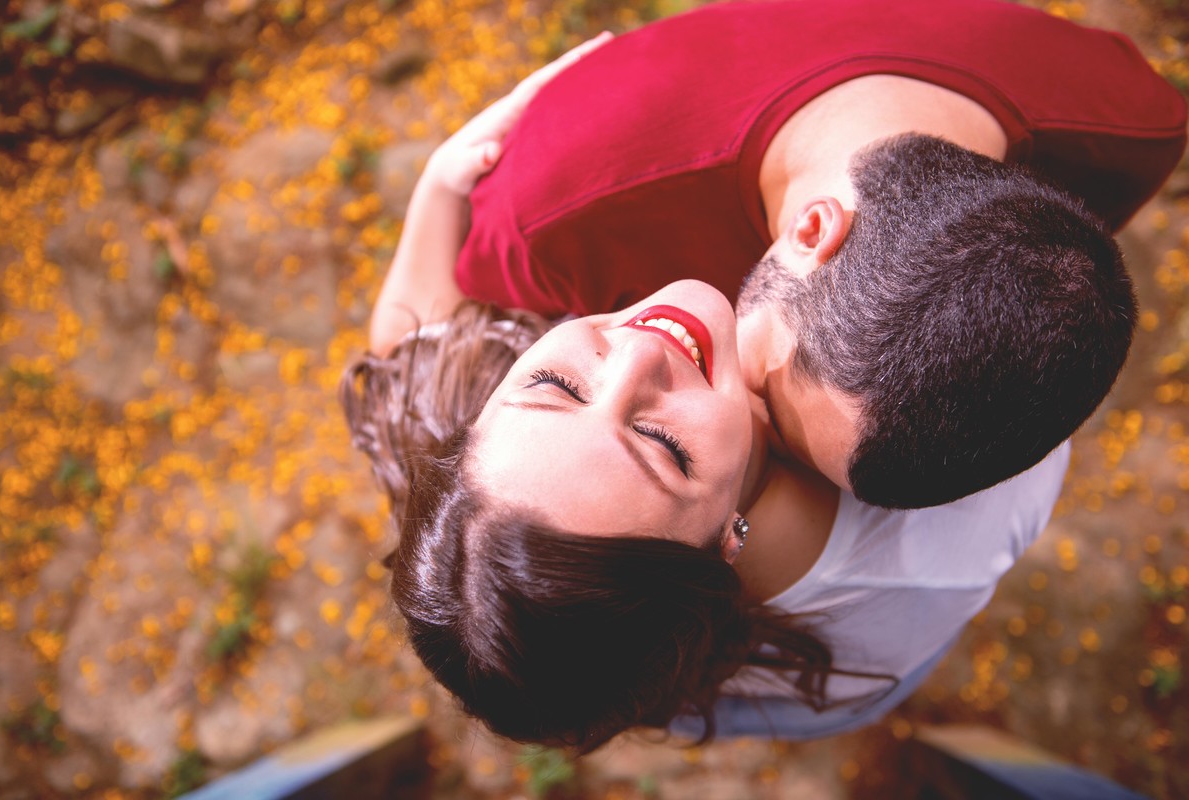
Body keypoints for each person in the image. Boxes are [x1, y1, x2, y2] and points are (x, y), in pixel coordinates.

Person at [341, 0, 1187, 751]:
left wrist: (441, 183)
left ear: (478, 419)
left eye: (551, 389)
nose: (636, 352)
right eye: (664, 444)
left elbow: (407, 367)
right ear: (725, 552)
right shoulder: (941, 534)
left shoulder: (501, 531)